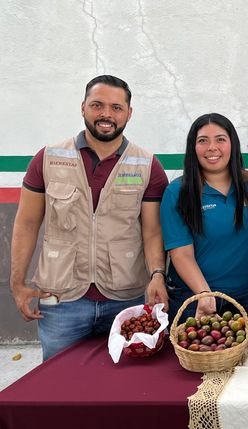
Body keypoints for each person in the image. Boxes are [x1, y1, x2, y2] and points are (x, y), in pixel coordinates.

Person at [9, 75, 169, 360]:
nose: (106, 114)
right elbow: (27, 223)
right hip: (61, 301)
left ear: (129, 113)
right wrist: (18, 283)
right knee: (58, 387)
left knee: (123, 388)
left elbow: (152, 231)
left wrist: (157, 273)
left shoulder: (147, 165)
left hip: (125, 298)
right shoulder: (48, 158)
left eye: (116, 108)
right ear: (83, 107)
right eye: (97, 105)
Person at [161, 113, 248, 331]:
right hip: (195, 300)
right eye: (203, 141)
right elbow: (180, 254)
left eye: (220, 139)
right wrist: (204, 294)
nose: (212, 147)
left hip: (247, 296)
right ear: (193, 147)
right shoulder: (177, 192)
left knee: (244, 360)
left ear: (232, 144)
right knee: (198, 362)